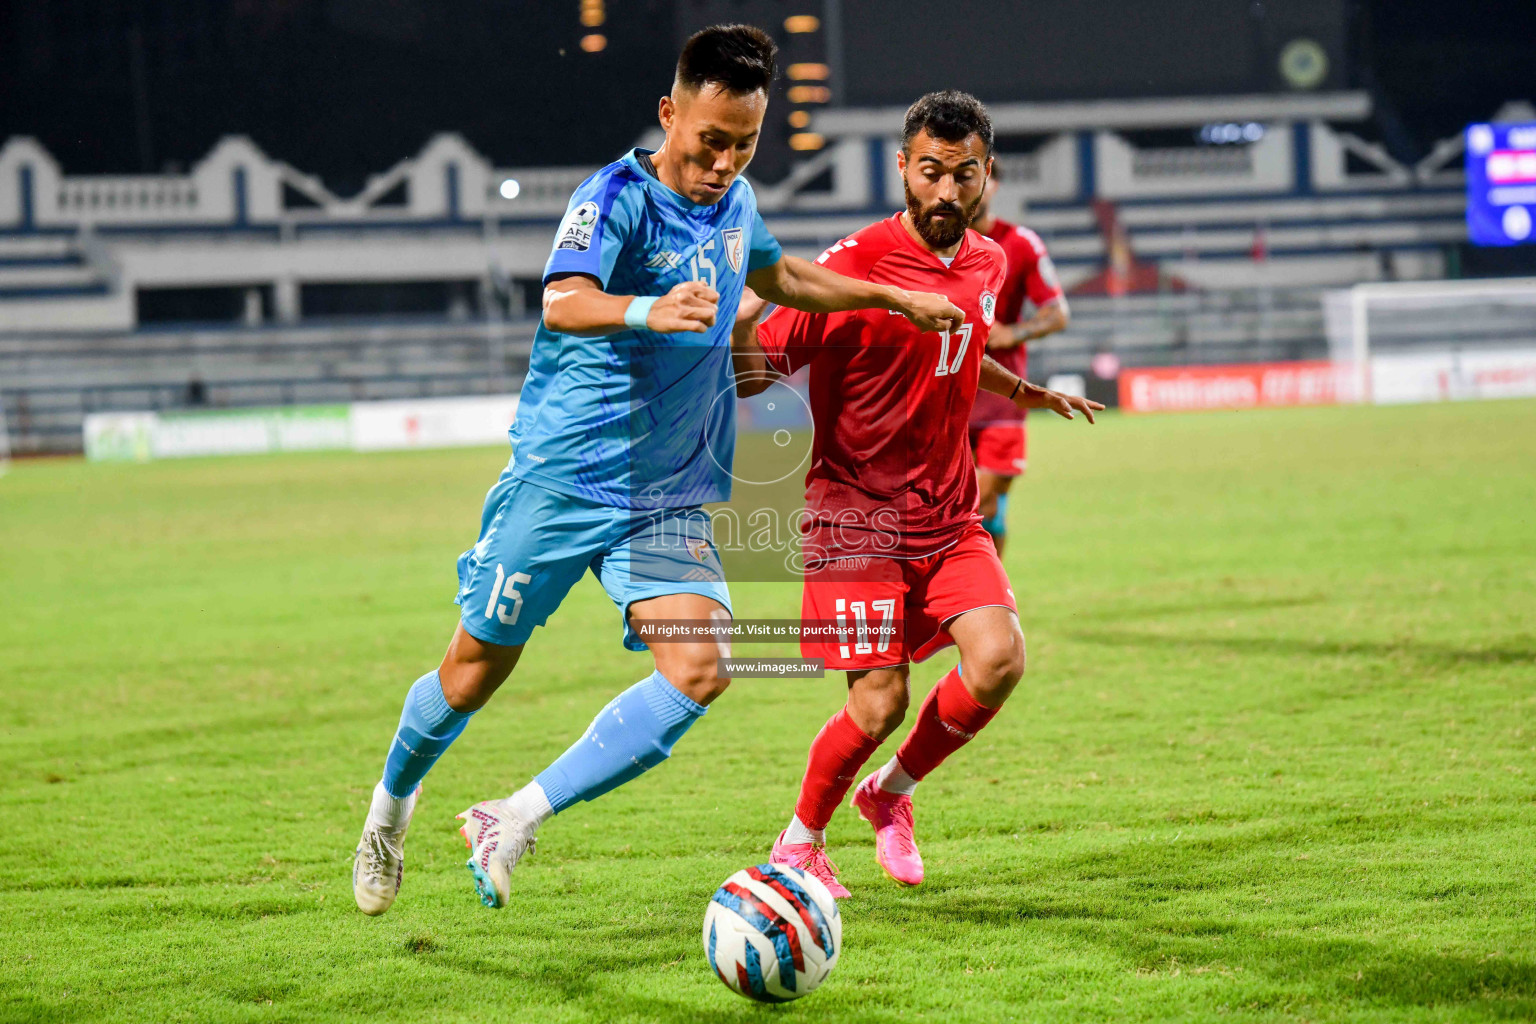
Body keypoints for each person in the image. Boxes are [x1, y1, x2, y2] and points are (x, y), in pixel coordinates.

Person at [352, 24, 965, 916]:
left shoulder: (739, 202)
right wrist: (650, 309)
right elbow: (563, 302)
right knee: (472, 672)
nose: (722, 162)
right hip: (565, 478)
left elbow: (785, 277)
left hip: (666, 492)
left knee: (701, 670)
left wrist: (890, 295)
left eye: (743, 144)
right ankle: (389, 811)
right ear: (670, 114)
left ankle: (510, 817)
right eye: (709, 140)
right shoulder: (613, 197)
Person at [731, 91, 1101, 896]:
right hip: (853, 515)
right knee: (878, 703)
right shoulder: (849, 268)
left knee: (999, 659)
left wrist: (1026, 391)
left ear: (985, 178)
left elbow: (962, 351)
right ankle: (799, 841)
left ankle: (888, 794)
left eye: (962, 175)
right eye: (929, 171)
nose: (945, 192)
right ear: (902, 167)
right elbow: (756, 379)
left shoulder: (990, 263)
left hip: (946, 512)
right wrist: (738, 327)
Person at [967, 172, 1070, 555]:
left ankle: (985, 598)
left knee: (978, 502)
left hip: (1003, 401)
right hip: (945, 399)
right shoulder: (928, 245)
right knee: (985, 512)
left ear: (993, 186)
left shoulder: (1020, 244)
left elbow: (1057, 313)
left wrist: (1015, 333)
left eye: (979, 176)